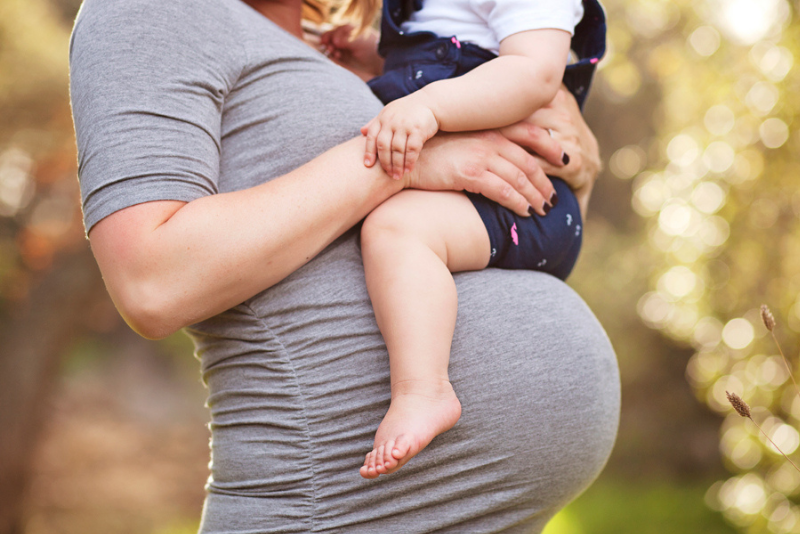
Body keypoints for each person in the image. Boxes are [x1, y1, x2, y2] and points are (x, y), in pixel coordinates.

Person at [69, 0, 620, 531]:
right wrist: (402, 164)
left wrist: (571, 178)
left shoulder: (377, 51)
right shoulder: (149, 9)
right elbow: (151, 281)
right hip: (328, 508)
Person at [320, 0, 606, 478]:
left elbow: (533, 72)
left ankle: (423, 391)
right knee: (396, 225)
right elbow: (446, 46)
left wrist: (427, 106)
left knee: (398, 228)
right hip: (494, 189)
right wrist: (370, 53)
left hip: (527, 196)